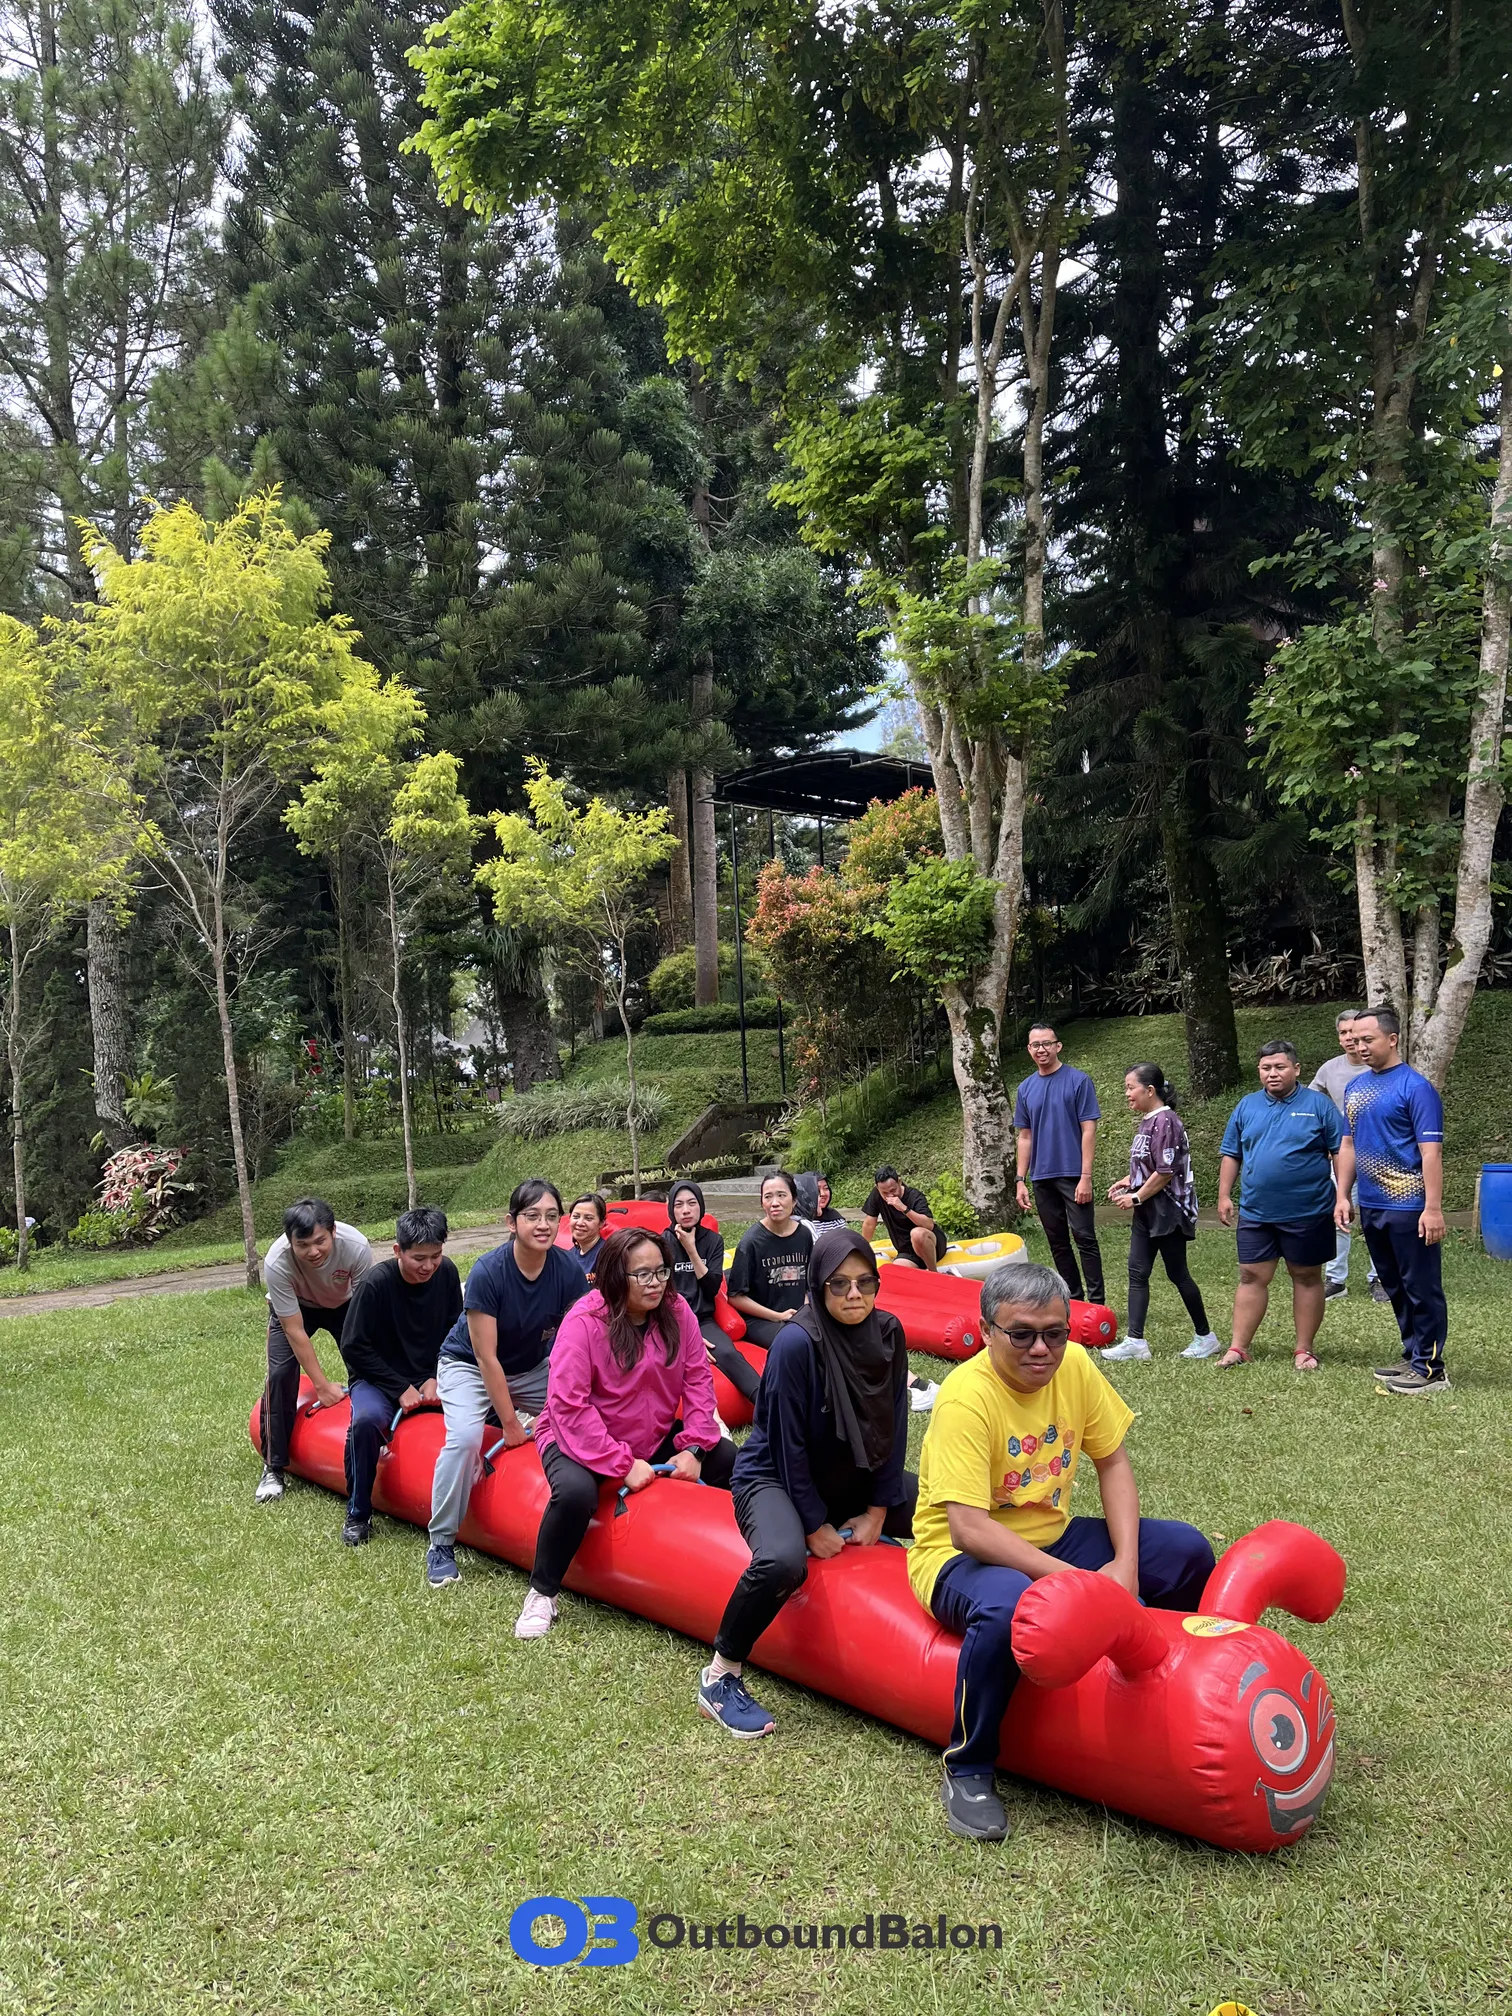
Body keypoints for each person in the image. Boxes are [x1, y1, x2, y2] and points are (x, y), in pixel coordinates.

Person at [908, 1261, 1214, 1842]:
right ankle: (968, 1767)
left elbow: (1113, 1462)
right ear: (987, 1331)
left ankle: (1175, 1688)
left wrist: (1125, 1564)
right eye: (1021, 1334)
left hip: (1051, 1535)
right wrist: (1087, 1586)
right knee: (1009, 1607)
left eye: (1054, 1332)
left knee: (1184, 1551)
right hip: (957, 1557)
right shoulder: (966, 1400)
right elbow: (969, 1529)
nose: (1041, 1349)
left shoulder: (1074, 1364)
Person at [701, 1227, 917, 1738]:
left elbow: (894, 1425)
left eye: (865, 1282)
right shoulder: (797, 1343)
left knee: (947, 1508)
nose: (854, 1294)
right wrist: (814, 1524)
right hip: (773, 1476)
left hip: (851, 1477)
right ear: (818, 1286)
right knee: (782, 1561)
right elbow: (786, 1444)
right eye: (839, 1284)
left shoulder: (888, 1334)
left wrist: (878, 1511)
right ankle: (720, 1675)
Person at [516, 1229, 738, 1639]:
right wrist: (622, 1464)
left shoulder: (677, 1312)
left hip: (650, 1432)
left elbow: (698, 1381)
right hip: (576, 1436)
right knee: (576, 1494)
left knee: (729, 1458)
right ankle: (542, 1592)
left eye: (662, 1272)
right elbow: (569, 1405)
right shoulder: (584, 1322)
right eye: (643, 1275)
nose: (656, 1283)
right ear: (616, 1276)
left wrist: (695, 1448)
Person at [425, 1178, 587, 1589]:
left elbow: (577, 1338)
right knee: (465, 1439)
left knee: (590, 1412)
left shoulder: (568, 1269)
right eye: (532, 1216)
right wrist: (511, 1424)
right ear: (511, 1222)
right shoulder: (488, 1272)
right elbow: (486, 1358)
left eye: (551, 1216)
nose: (543, 1224)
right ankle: (441, 1543)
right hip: (467, 1366)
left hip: (531, 1367)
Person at [1335, 1006, 1450, 1396]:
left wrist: (1432, 1208)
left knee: (1421, 1287)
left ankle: (1431, 1369)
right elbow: (1348, 1145)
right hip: (1372, 1204)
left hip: (1410, 1205)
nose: (1360, 1046)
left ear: (1392, 1039)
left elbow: (1431, 1152)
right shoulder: (1356, 1088)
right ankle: (1413, 1354)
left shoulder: (1415, 1088)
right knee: (1394, 1285)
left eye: (1368, 1039)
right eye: (1355, 1039)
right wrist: (1343, 1195)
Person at [335, 1205, 462, 1547]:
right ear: (397, 1251)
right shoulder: (375, 1284)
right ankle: (358, 1512)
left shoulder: (447, 1274)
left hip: (430, 1375)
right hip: (377, 1378)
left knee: (480, 1412)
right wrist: (399, 1387)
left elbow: (455, 1331)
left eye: (435, 1256)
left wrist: (436, 1375)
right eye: (419, 1258)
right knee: (365, 1423)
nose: (428, 1266)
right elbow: (353, 1346)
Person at [1215, 1039, 1343, 1372]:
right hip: (1256, 1211)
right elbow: (1232, 1153)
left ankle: (1304, 1350)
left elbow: (1340, 1151)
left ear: (1296, 1069)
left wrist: (1343, 1195)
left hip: (1309, 1210)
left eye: (1280, 1067)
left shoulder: (1319, 1105)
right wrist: (1224, 1195)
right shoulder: (1247, 1105)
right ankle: (1238, 1347)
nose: (1272, 1073)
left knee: (1307, 1276)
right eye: (1266, 1068)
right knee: (1251, 1275)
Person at [1102, 1065, 1222, 1363]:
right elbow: (1151, 1165)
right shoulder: (1148, 1121)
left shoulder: (1166, 1121)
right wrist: (1129, 1181)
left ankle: (1206, 1337)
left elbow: (1166, 1172)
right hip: (1148, 1210)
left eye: (1131, 1087)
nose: (1127, 1093)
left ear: (1150, 1090)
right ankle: (1135, 1341)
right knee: (1137, 1271)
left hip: (1169, 1210)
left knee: (1178, 1273)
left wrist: (1136, 1197)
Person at [256, 1197, 371, 1504]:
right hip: (298, 1308)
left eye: (320, 1241)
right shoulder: (277, 1261)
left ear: (333, 1232)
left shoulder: (356, 1247)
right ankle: (273, 1467)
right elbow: (295, 1331)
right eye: (303, 1245)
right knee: (280, 1374)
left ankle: (377, 1439)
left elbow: (365, 1314)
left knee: (367, 1366)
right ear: (289, 1241)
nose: (313, 1251)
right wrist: (321, 1386)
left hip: (345, 1305)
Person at [1013, 1024, 1106, 1305]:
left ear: (1058, 1046)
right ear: (1029, 1049)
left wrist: (1086, 1176)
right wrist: (1020, 1180)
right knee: (1058, 1241)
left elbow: (1088, 1130)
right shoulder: (1025, 1088)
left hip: (1073, 1174)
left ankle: (1096, 1303)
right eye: (1035, 1045)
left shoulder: (1078, 1081)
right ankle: (1074, 1300)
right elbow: (1025, 1136)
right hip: (1041, 1176)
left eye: (1046, 1043)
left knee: (1084, 1237)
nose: (1041, 1049)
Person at [1309, 1013, 1386, 1304]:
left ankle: (1380, 1277)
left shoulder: (1381, 1067)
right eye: (1343, 1033)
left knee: (1377, 1219)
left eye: (1354, 1031)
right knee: (1338, 1215)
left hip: (1380, 1155)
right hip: (1343, 1154)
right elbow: (1311, 1102)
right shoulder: (1329, 1070)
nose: (1350, 1038)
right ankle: (1336, 1279)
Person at [662, 1178, 758, 1404]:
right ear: (671, 1209)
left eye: (692, 1203)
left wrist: (691, 1250)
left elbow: (711, 1287)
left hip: (703, 1319)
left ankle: (767, 1403)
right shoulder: (661, 1243)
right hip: (670, 1321)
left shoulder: (713, 1241)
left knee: (728, 1353)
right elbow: (658, 1294)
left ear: (701, 1206)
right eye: (679, 1205)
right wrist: (686, 1335)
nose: (686, 1210)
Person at [726, 1172, 814, 1349]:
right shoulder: (751, 1242)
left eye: (781, 1195)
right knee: (795, 1342)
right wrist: (778, 1316)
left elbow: (809, 1282)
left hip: (798, 1316)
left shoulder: (804, 1235)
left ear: (794, 1201)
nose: (775, 1203)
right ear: (762, 1203)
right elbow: (735, 1297)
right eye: (768, 1197)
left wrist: (805, 1308)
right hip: (762, 1320)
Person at [861, 1164, 947, 1270]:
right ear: (877, 1188)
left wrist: (904, 1208)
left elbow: (929, 1225)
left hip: (932, 1246)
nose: (890, 1195)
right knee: (896, 1272)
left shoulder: (914, 1196)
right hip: (907, 1252)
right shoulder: (877, 1195)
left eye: (893, 1190)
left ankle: (933, 1273)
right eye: (885, 1193)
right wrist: (862, 1248)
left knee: (917, 1234)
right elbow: (869, 1223)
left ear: (899, 1182)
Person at [565, 1193, 608, 1281]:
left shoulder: (607, 1255)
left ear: (601, 1223)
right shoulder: (569, 1256)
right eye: (576, 1217)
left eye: (588, 1218)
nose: (580, 1223)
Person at [794, 1171, 846, 1239]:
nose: (823, 1194)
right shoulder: (795, 1222)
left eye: (826, 1188)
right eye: (817, 1190)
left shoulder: (835, 1219)